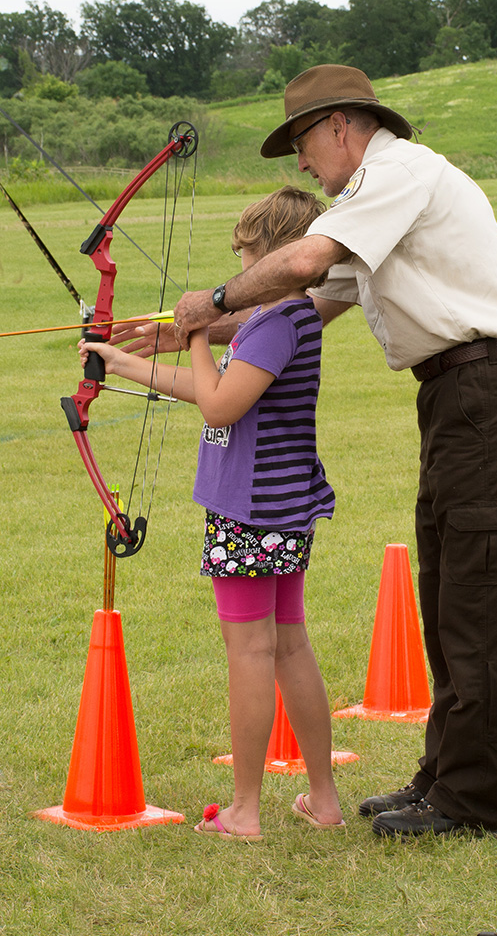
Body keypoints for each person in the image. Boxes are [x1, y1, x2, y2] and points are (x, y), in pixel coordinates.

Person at [164, 64, 497, 838]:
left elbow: (302, 266)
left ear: (340, 125)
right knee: (447, 598)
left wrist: (209, 302)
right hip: (454, 398)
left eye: (303, 142)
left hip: (487, 395)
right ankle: (440, 779)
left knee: (478, 603)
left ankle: (468, 802)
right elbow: (306, 304)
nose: (302, 164)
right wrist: (184, 332)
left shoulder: (396, 173)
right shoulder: (370, 203)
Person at [83, 186, 344, 838]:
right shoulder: (281, 321)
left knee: (250, 651)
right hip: (277, 506)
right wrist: (118, 365)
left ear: (271, 255)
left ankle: (244, 811)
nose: (241, 269)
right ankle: (322, 799)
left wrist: (196, 331)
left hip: (251, 510)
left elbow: (218, 405)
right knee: (286, 645)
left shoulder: (277, 324)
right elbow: (213, 390)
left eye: (248, 255)